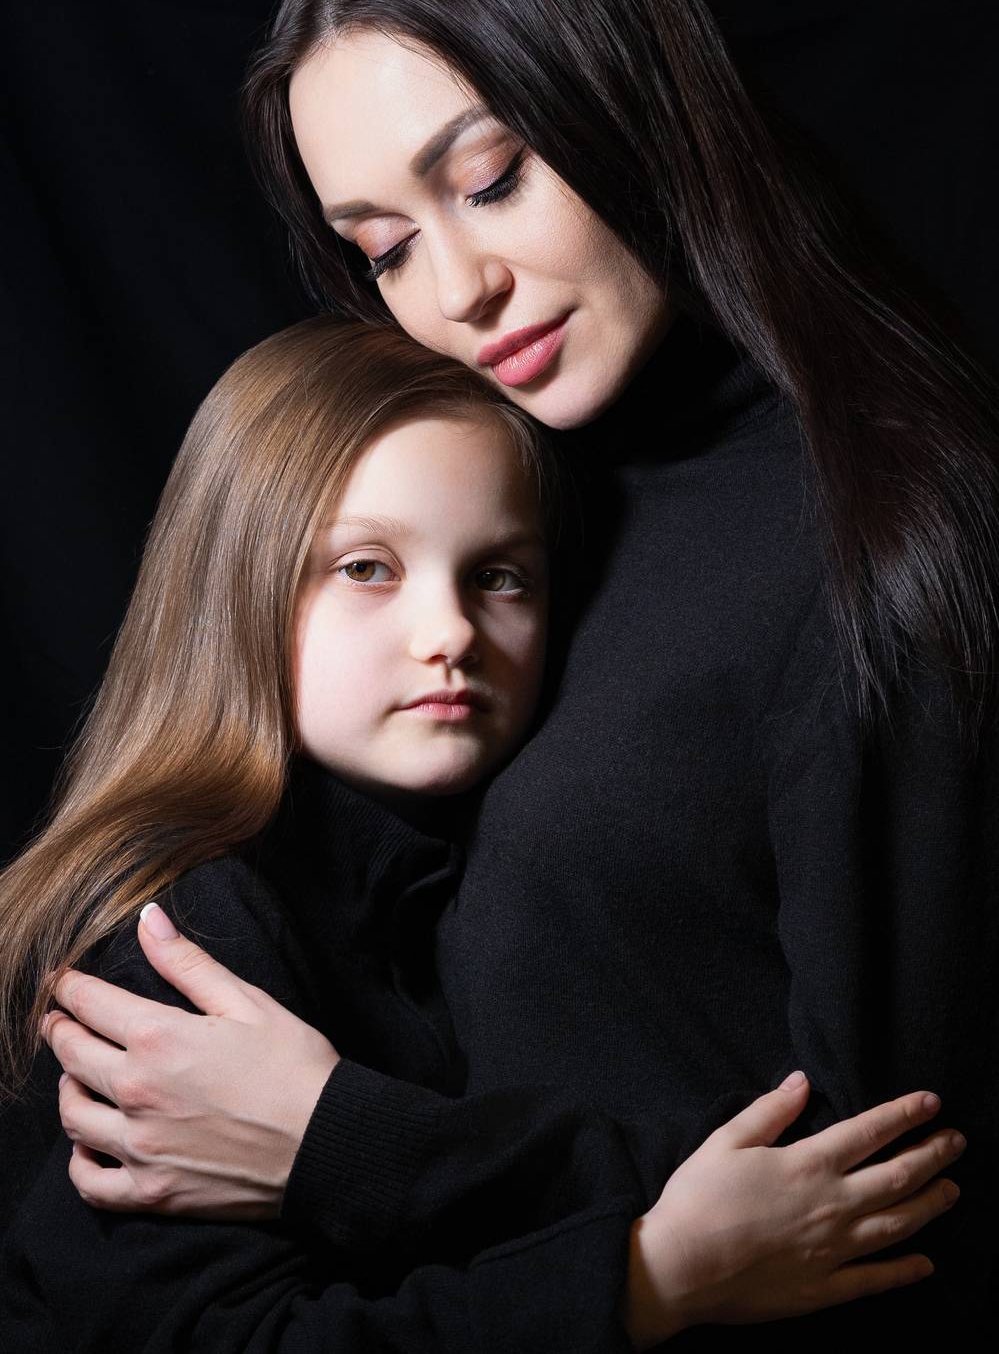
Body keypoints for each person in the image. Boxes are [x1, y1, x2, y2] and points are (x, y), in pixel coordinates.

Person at [26, 0, 999, 1339]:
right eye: (384, 247)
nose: (457, 289)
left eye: (488, 180)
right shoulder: (508, 492)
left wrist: (345, 1146)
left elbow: (868, 1200)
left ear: (629, 95)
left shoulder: (880, 522)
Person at [0, 315, 961, 1352]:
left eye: (499, 575)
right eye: (366, 568)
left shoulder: (444, 885)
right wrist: (645, 1282)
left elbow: (754, 1171)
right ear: (236, 588)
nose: (451, 633)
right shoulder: (182, 928)